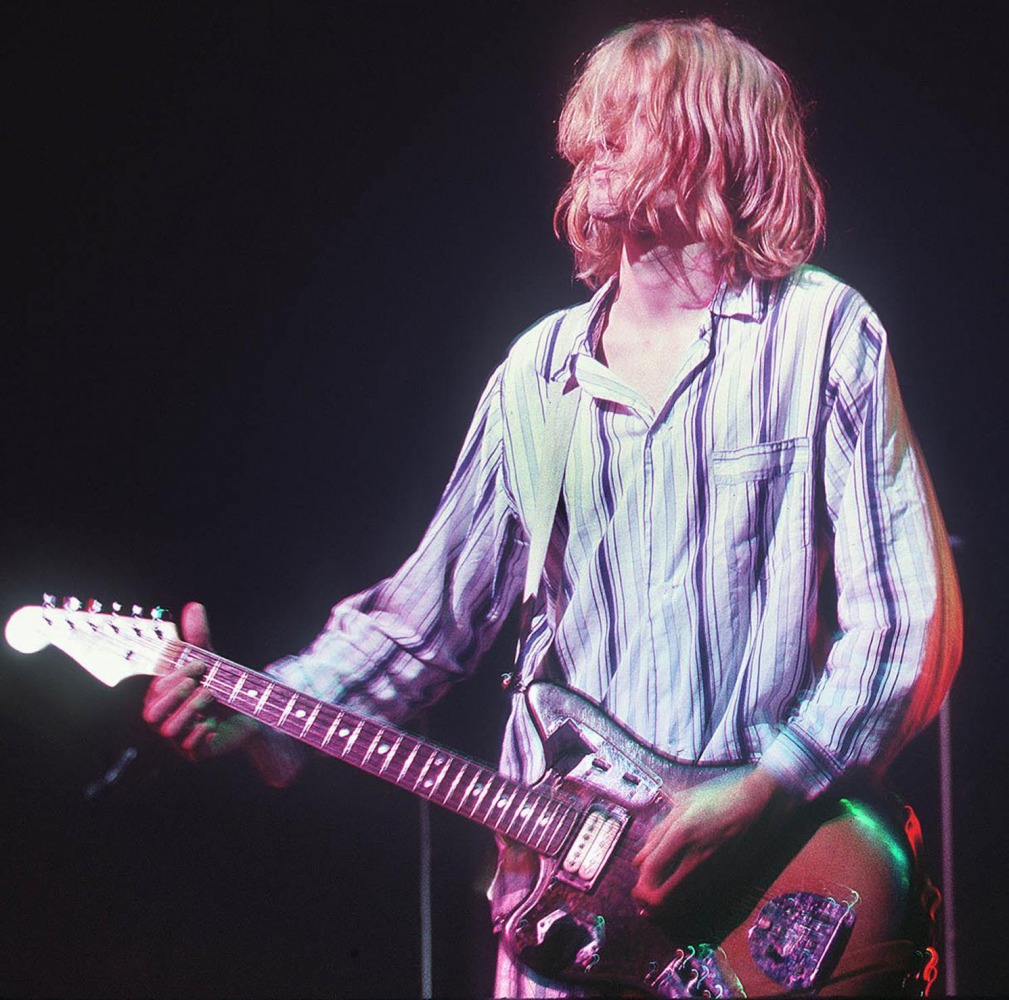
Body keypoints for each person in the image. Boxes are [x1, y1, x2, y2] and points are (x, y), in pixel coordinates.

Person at [143, 18, 962, 997]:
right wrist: (258, 706)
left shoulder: (822, 334)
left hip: (768, 894)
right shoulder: (537, 377)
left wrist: (764, 794)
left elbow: (907, 626)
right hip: (568, 918)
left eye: (631, 114)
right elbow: (423, 621)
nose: (592, 137)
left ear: (717, 134)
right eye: (592, 117)